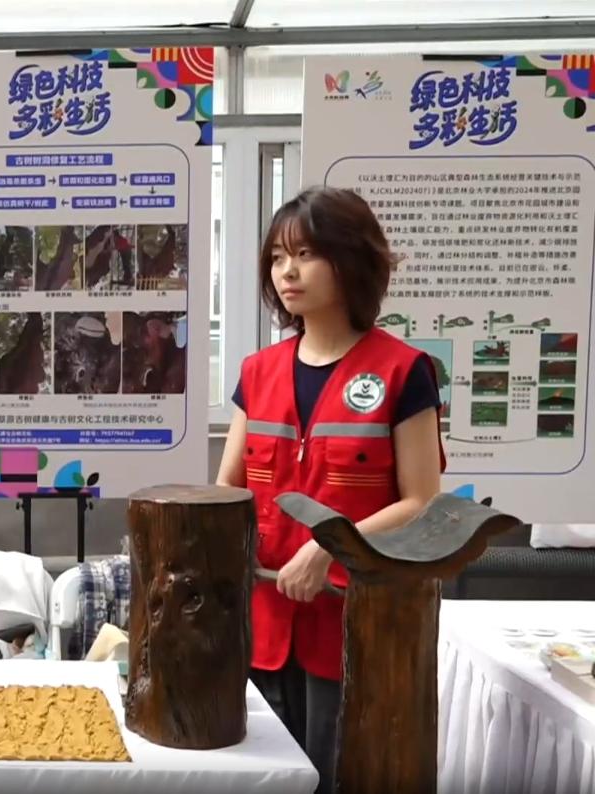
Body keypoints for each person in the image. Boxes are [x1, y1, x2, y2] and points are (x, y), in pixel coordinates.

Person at [215, 187, 445, 794]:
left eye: (306, 254)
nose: (287, 272)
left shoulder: (404, 371)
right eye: (277, 257)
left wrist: (327, 546)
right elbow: (228, 488)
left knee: (337, 773)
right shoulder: (257, 372)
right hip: (262, 620)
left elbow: (422, 501)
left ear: (350, 259)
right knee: (260, 776)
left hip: (354, 623)